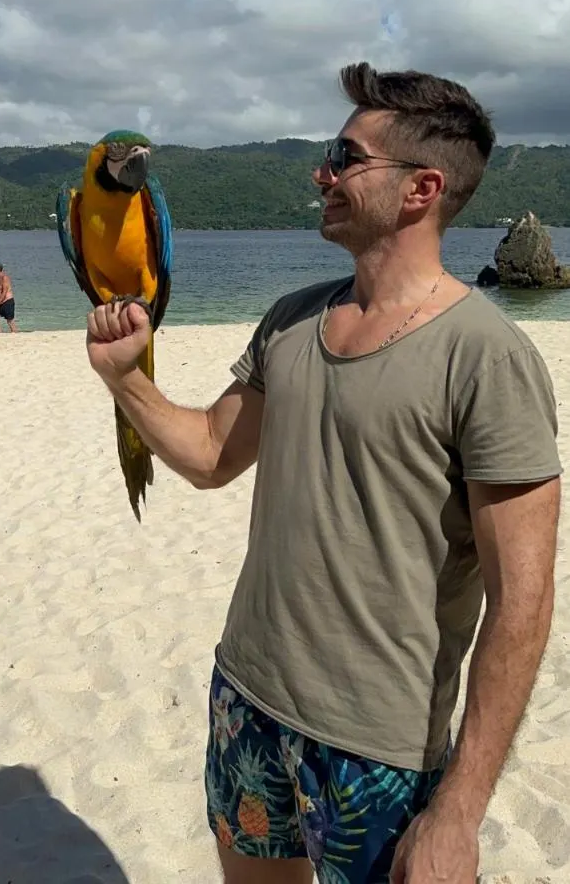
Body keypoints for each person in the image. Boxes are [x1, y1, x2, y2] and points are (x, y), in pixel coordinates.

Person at [86, 63, 562, 884]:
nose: (322, 173)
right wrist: (126, 379)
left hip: (377, 744)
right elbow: (208, 454)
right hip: (247, 696)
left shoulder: (486, 356)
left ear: (421, 189)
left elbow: (522, 603)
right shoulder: (294, 316)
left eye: (344, 156)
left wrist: (458, 809)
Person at [0, 262, 17, 333]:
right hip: (0, 302)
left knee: (10, 321)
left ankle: (16, 335)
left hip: (7, 302)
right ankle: (0, 334)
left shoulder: (4, 277)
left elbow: (4, 292)